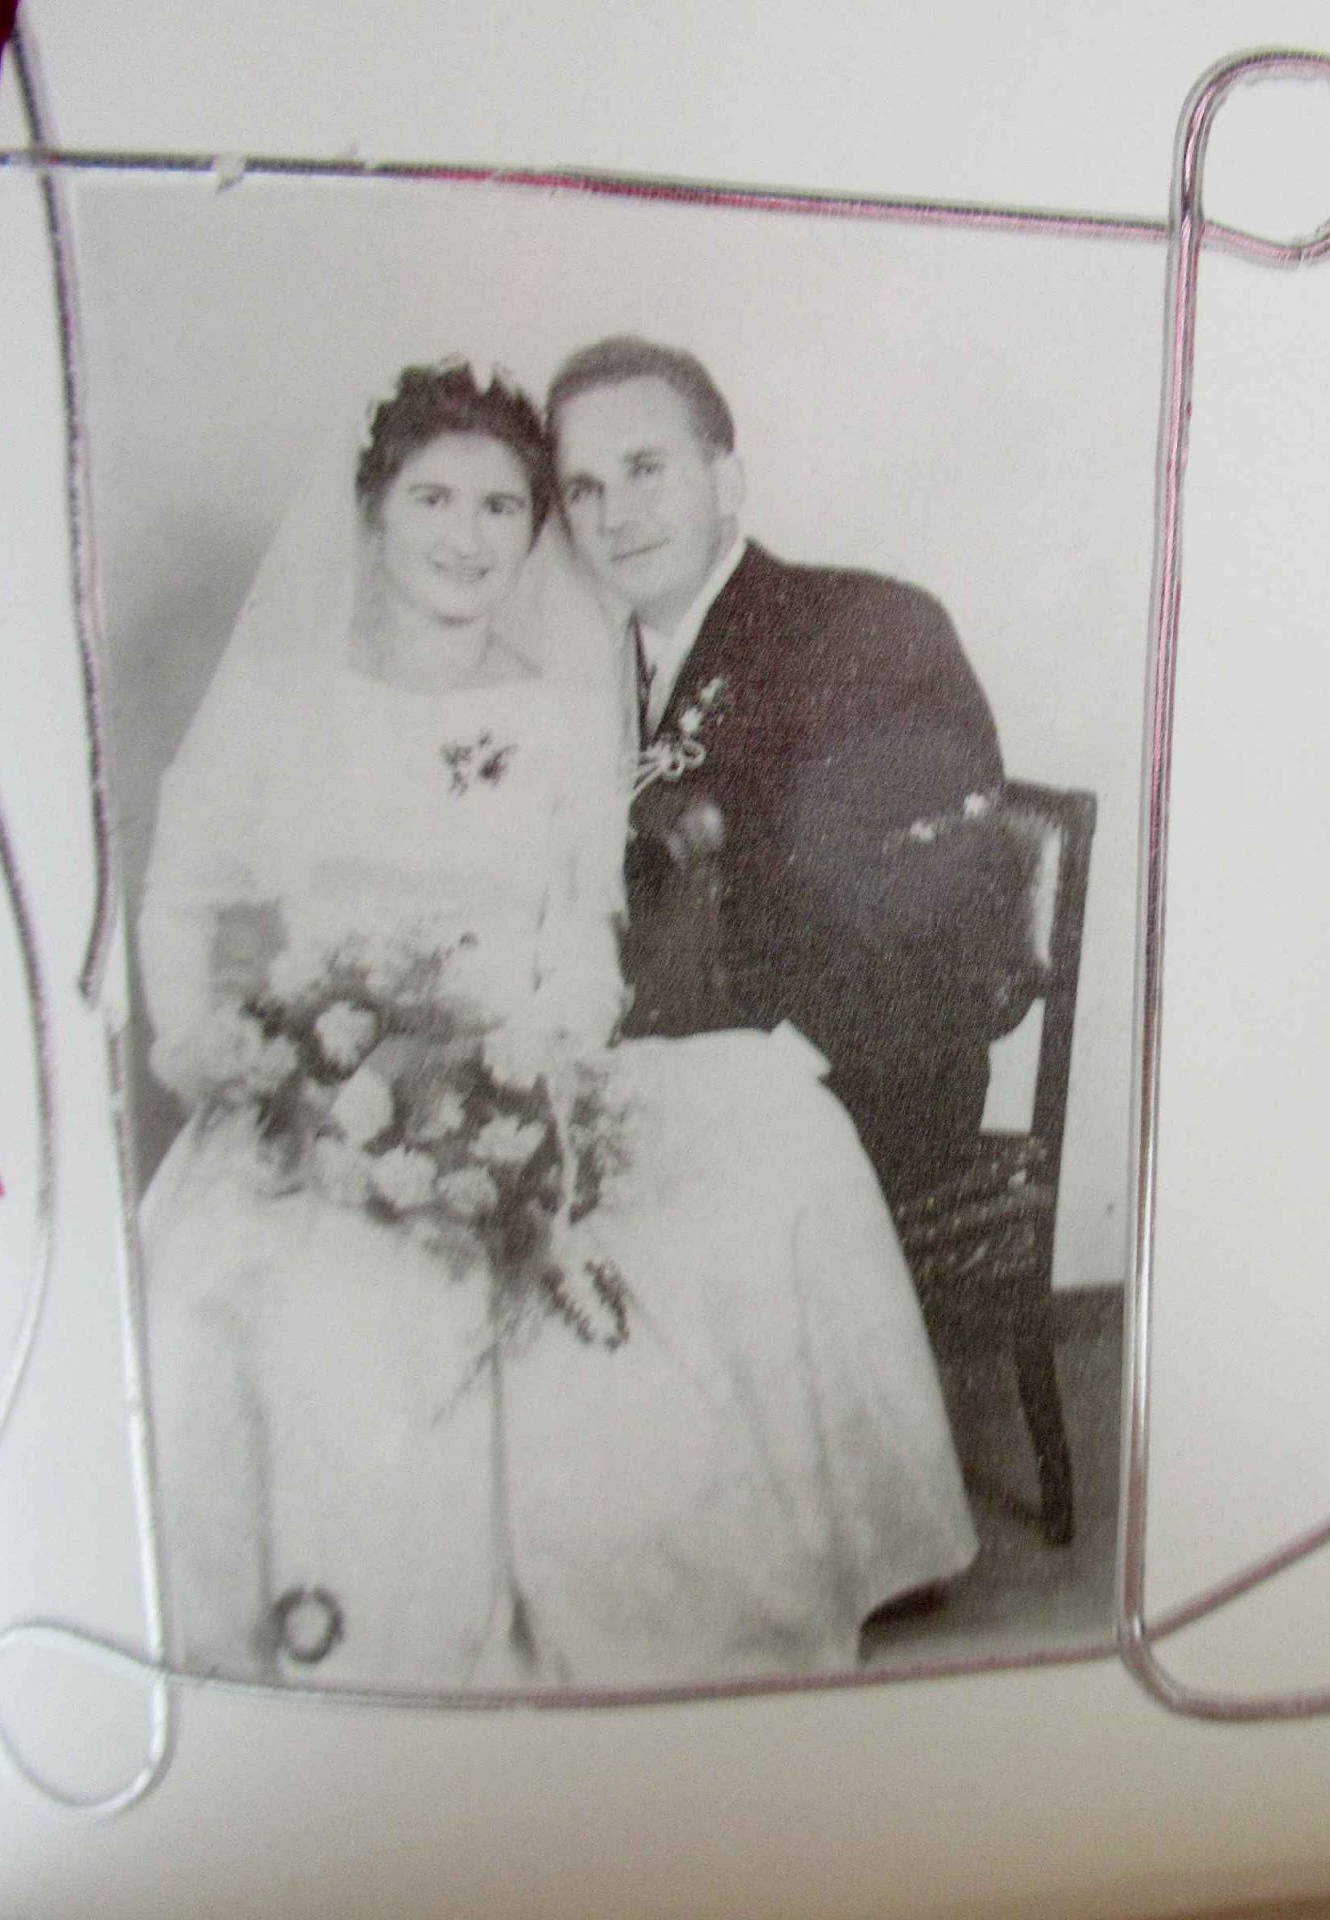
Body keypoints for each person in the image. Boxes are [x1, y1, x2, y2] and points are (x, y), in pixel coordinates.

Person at [136, 362, 976, 1693]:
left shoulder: (558, 713)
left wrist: (539, 1066)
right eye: (433, 500)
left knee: (766, 1146)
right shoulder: (278, 706)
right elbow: (183, 904)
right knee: (317, 1304)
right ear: (373, 511)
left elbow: (582, 935)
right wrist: (217, 1054)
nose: (466, 537)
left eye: (502, 507)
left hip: (521, 1074)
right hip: (315, 1095)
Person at [547, 338, 1012, 1207]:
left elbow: (949, 925)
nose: (615, 516)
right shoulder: (577, 675)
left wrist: (756, 1082)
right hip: (646, 1082)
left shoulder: (869, 628)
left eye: (645, 470)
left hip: (847, 1088)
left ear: (727, 481)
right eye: (584, 488)